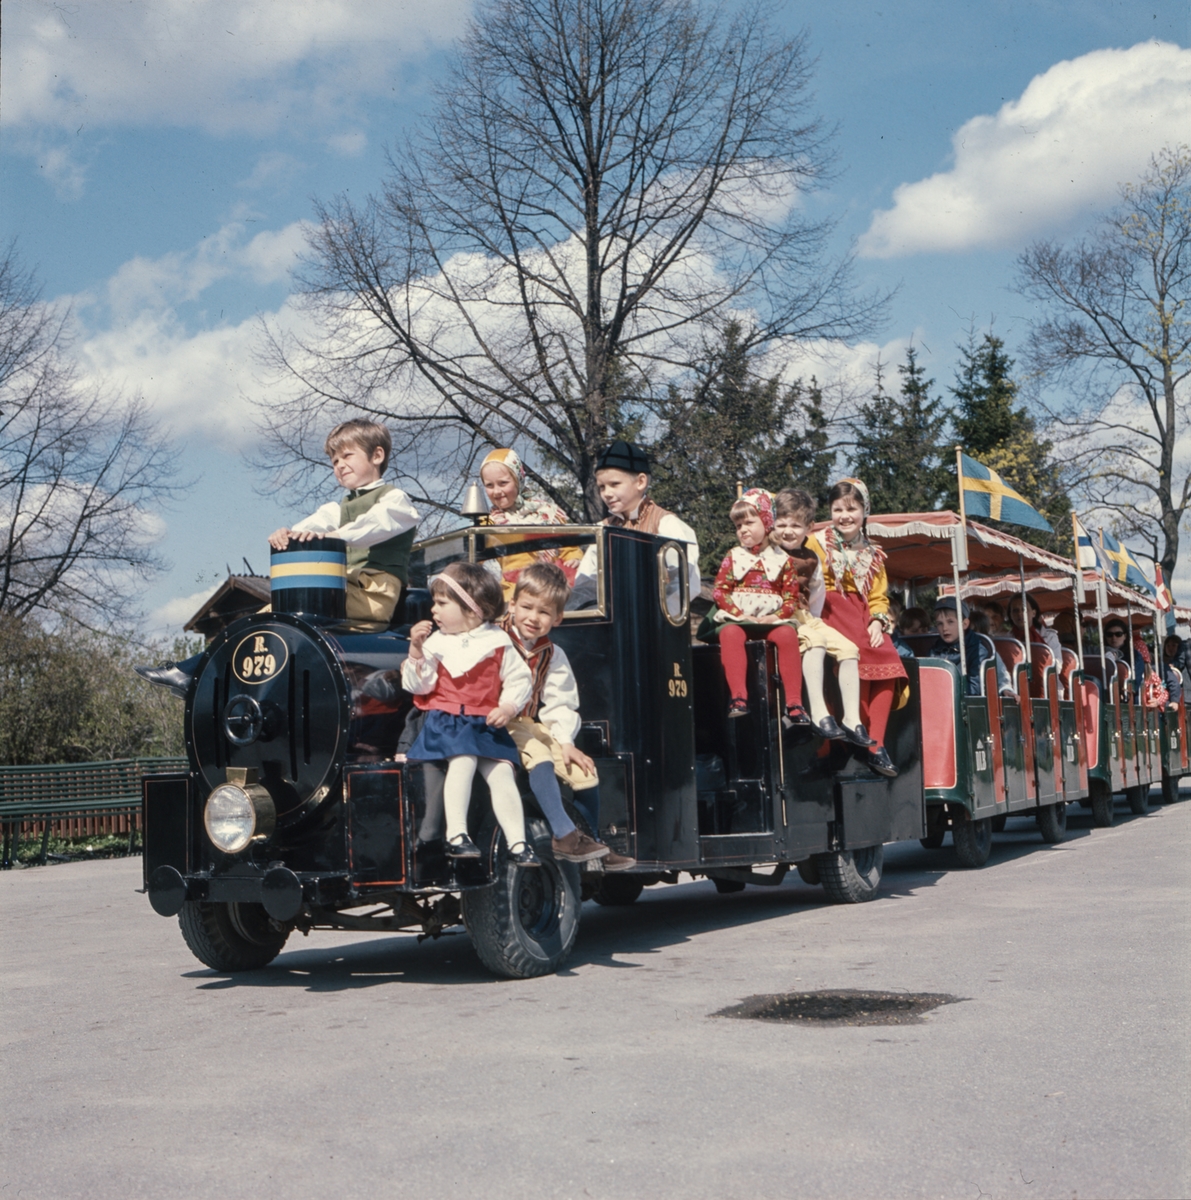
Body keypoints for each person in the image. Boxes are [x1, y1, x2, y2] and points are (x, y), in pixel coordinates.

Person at [136, 418, 420, 695]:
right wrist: (286, 535)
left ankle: (194, 673)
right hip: (342, 593)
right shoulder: (337, 509)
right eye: (334, 461)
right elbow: (310, 527)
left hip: (373, 595)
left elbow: (376, 525)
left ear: (377, 455)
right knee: (266, 617)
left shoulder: (394, 499)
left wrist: (333, 537)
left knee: (280, 614)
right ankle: (199, 674)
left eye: (347, 455)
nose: (340, 465)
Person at [401, 561, 539, 865]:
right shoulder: (436, 643)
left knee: (503, 771)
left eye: (441, 603)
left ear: (472, 610)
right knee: (462, 761)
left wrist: (508, 706)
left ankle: (518, 842)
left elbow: (519, 679)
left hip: (485, 722)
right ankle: (456, 835)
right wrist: (415, 652)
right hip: (448, 722)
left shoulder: (498, 641)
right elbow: (419, 686)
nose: (433, 610)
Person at [501, 562, 635, 870]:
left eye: (544, 612)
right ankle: (564, 835)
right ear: (512, 604)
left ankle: (590, 844)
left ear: (558, 618)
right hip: (499, 721)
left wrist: (565, 741)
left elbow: (560, 701)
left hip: (528, 722)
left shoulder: (552, 653)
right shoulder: (496, 641)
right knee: (538, 756)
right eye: (526, 607)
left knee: (583, 770)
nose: (533, 618)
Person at [808, 476, 908, 777]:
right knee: (857, 653)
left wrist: (878, 620)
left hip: (861, 613)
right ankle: (855, 728)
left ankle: (875, 743)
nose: (844, 516)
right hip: (829, 609)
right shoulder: (817, 541)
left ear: (865, 510)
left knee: (888, 654)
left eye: (852, 508)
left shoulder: (873, 553)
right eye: (837, 509)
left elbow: (878, 595)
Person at [768, 488, 869, 741]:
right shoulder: (768, 553)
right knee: (816, 642)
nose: (787, 531)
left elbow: (816, 594)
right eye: (781, 524)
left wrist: (811, 619)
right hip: (780, 614)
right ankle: (818, 712)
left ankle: (851, 719)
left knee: (849, 649)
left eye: (795, 525)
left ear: (809, 527)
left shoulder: (812, 558)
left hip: (804, 614)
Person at [570, 439, 700, 606]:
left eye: (614, 484)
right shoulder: (604, 529)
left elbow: (686, 583)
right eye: (602, 487)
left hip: (653, 624)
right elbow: (586, 583)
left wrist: (659, 614)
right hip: (611, 624)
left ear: (640, 482)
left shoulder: (666, 524)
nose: (607, 493)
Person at [478, 447, 583, 596]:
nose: (496, 491)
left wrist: (574, 559)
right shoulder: (489, 523)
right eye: (489, 485)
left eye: (503, 483)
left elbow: (569, 547)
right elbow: (472, 560)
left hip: (552, 591)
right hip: (515, 595)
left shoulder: (548, 512)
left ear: (518, 480)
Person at [930, 597, 1014, 697]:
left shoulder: (978, 650)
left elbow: (974, 688)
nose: (944, 628)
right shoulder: (935, 650)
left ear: (965, 624)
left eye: (950, 622)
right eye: (940, 623)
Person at [1008, 593, 1062, 660]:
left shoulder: (1049, 636)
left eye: (1024, 609)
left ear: (1034, 613)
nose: (1020, 614)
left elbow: (1057, 663)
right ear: (1010, 615)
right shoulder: (1007, 639)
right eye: (1015, 611)